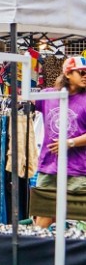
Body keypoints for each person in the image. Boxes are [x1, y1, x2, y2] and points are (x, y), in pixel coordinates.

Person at [34, 56, 86, 228]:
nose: (85, 76)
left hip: (77, 170)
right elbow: (24, 100)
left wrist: (69, 142)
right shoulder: (48, 95)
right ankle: (39, 251)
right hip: (49, 167)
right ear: (68, 73)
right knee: (42, 218)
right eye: (82, 72)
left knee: (80, 221)